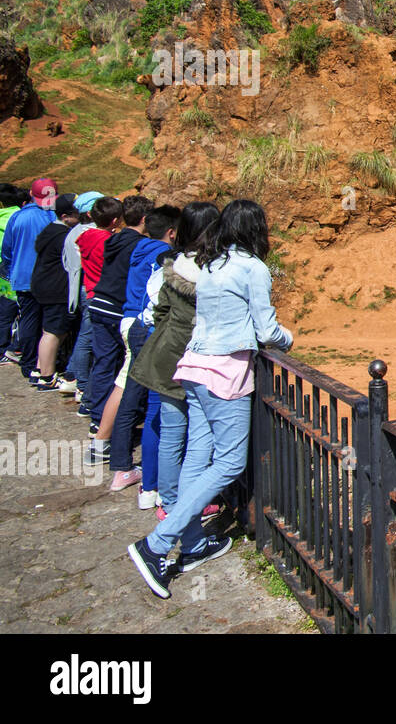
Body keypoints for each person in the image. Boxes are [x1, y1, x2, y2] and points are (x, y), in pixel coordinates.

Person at [128, 200, 293, 599]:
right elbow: (267, 329)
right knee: (230, 462)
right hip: (224, 374)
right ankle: (156, 544)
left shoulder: (212, 264)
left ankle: (196, 542)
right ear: (257, 229)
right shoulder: (253, 268)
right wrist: (290, 340)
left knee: (198, 455)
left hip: (193, 370)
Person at [129, 201, 219, 517]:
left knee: (171, 433)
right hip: (201, 360)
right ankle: (193, 498)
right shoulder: (216, 271)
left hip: (168, 355)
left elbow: (160, 311)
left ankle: (167, 501)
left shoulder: (174, 266)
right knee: (200, 436)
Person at [106, 204, 179, 494]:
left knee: (131, 391)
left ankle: (131, 471)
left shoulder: (137, 246)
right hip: (145, 328)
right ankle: (138, 476)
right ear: (172, 232)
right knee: (146, 402)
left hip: (130, 320)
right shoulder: (159, 256)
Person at [85, 195, 152, 465]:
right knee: (123, 376)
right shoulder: (139, 245)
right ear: (146, 220)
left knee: (105, 364)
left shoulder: (115, 238)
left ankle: (96, 417)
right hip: (117, 309)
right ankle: (102, 436)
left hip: (98, 301)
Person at [0, 179, 57, 379]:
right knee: (48, 322)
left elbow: (6, 249)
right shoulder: (54, 216)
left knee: (28, 320)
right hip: (49, 278)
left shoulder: (18, 217)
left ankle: (28, 362)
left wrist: (9, 269)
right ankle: (47, 363)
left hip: (23, 276)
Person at [27, 194, 82, 389]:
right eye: (77, 214)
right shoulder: (64, 236)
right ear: (66, 216)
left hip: (42, 284)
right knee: (54, 332)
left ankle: (40, 369)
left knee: (48, 330)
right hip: (56, 288)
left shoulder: (50, 230)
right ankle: (47, 376)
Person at [76, 196, 122, 419]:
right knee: (104, 356)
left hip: (88, 291)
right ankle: (89, 400)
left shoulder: (85, 236)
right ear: (115, 221)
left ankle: (88, 398)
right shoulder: (108, 242)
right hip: (103, 296)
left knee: (98, 352)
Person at [60, 191, 105, 401]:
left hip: (78, 288)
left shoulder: (73, 231)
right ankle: (82, 385)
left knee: (83, 335)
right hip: (91, 287)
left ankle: (71, 375)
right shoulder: (92, 234)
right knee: (87, 337)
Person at [0, 183, 25, 362]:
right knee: (16, 307)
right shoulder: (19, 215)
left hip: (2, 266)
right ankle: (13, 346)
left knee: (4, 308)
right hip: (14, 266)